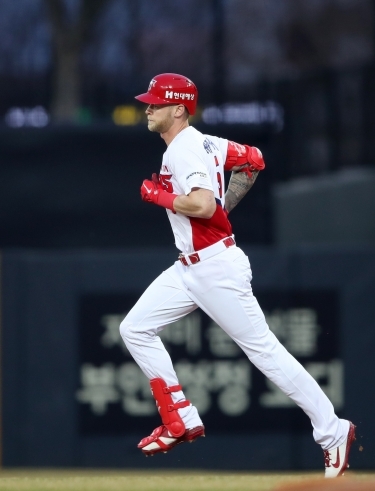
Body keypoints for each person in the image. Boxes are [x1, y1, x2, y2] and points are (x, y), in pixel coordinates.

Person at [119, 73, 355, 477]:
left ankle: (332, 430)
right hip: (190, 265)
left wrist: (160, 196)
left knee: (265, 352)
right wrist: (223, 206)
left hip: (213, 268)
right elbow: (253, 159)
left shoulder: (184, 149)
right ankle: (179, 416)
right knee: (135, 328)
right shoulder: (205, 143)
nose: (148, 108)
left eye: (156, 103)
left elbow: (204, 206)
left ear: (179, 109)